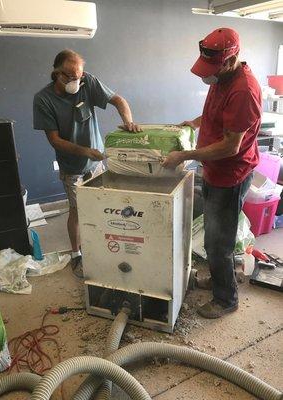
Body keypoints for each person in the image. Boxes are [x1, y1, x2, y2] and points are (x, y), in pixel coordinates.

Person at [163, 28, 262, 319]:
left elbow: (231, 146)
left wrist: (185, 155)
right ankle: (220, 280)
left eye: (211, 69)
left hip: (230, 175)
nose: (207, 75)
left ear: (230, 60)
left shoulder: (243, 90)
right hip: (214, 170)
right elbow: (217, 112)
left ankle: (226, 299)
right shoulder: (223, 77)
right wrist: (194, 123)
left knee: (219, 242)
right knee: (213, 235)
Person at [33, 49, 140, 278]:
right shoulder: (44, 100)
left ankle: (101, 243)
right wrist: (84, 151)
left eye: (79, 76)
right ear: (57, 74)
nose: (76, 81)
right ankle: (76, 254)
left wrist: (128, 122)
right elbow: (55, 140)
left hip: (96, 162)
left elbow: (117, 100)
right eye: (70, 77)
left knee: (102, 204)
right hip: (72, 167)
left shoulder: (87, 82)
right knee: (77, 210)